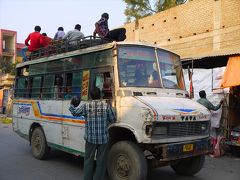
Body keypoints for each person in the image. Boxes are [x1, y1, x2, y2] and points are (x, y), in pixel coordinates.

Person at [69, 87, 115, 180]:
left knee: (88, 161)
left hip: (90, 139)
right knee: (101, 163)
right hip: (103, 139)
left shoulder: (86, 106)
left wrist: (71, 104)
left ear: (91, 96)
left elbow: (75, 112)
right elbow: (113, 119)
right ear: (100, 96)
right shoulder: (106, 106)